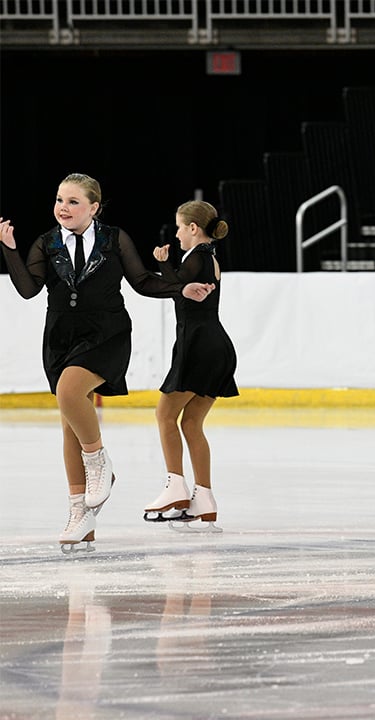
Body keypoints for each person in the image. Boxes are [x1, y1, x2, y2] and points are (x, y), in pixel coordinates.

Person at [0, 173, 215, 552]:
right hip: (60, 339)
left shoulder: (114, 239)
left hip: (107, 334)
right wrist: (9, 249)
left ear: (94, 207)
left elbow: (142, 282)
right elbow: (28, 289)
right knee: (69, 424)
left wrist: (179, 287)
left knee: (70, 394)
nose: (63, 208)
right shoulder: (46, 243)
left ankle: (99, 462)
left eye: (73, 202)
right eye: (59, 200)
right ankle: (80, 515)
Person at [142, 200, 238, 532]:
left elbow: (174, 289)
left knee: (165, 414)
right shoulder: (206, 258)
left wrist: (163, 265)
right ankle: (205, 499)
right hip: (216, 347)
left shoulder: (197, 258)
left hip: (197, 347)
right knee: (192, 424)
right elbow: (180, 288)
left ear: (193, 228)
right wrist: (169, 266)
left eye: (181, 227)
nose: (179, 233)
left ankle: (175, 487)